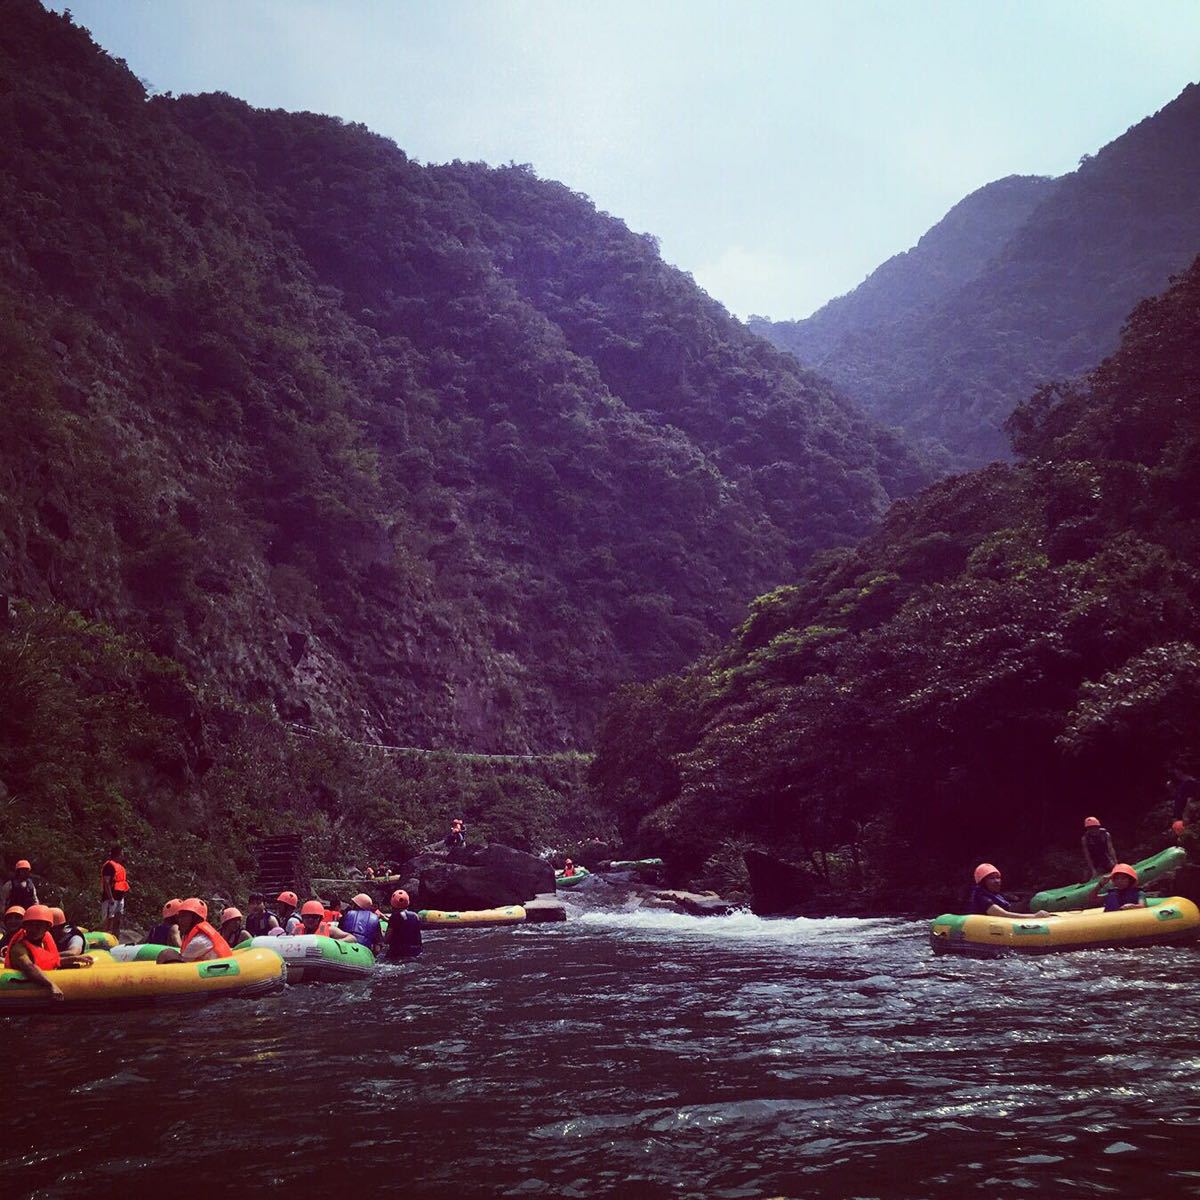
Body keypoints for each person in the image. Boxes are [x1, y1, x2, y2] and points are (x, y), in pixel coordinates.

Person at [3, 904, 91, 999]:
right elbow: (29, 967)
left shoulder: (42, 943)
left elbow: (48, 961)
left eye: (39, 925)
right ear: (25, 926)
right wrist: (51, 985)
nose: (34, 929)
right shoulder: (19, 948)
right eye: (30, 925)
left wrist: (73, 959)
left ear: (47, 928)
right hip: (16, 985)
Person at [158, 897, 233, 963]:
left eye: (184, 917)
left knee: (166, 954)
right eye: (179, 917)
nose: (179, 920)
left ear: (195, 919)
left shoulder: (199, 940)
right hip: (213, 968)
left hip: (221, 972)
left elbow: (183, 963)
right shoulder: (193, 934)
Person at [969, 864, 1054, 919]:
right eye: (992, 878)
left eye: (998, 877)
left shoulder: (993, 894)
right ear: (983, 882)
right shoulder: (982, 898)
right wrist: (1035, 916)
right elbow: (1004, 915)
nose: (997, 881)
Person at [100, 847, 130, 937]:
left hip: (120, 897)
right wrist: (111, 898)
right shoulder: (109, 866)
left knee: (117, 918)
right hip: (111, 898)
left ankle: (115, 937)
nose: (123, 856)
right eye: (122, 854)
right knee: (108, 919)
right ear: (117, 855)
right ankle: (105, 938)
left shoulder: (120, 867)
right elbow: (106, 882)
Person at [384, 890, 422, 961]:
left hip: (398, 952)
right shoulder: (416, 916)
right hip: (416, 951)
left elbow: (387, 939)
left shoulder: (394, 917)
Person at [291, 900, 356, 940]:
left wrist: (336, 943)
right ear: (302, 918)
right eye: (307, 917)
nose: (310, 920)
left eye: (314, 917)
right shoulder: (297, 930)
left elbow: (352, 938)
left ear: (320, 918)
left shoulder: (330, 930)